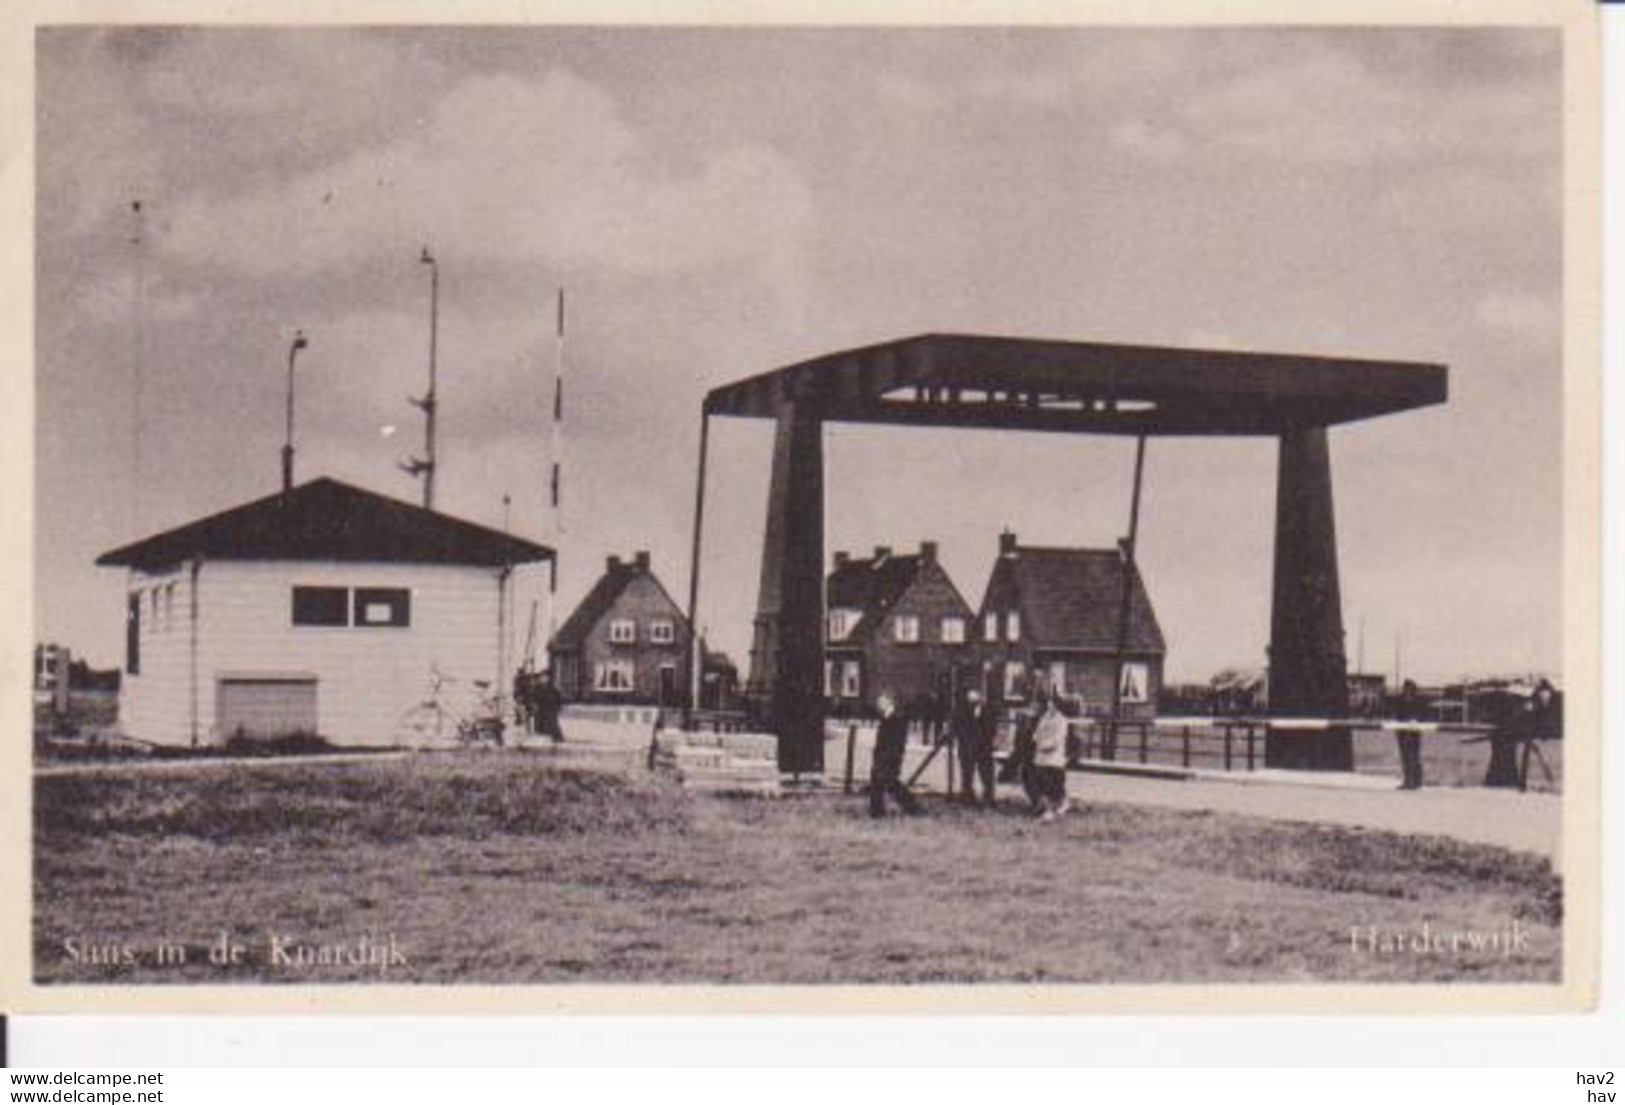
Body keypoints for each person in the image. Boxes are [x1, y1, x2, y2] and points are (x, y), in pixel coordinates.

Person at [869, 691, 922, 818]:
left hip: (891, 756)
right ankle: (877, 810)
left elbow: (897, 740)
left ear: (889, 703)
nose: (878, 706)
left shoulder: (897, 718)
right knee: (880, 781)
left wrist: (892, 755)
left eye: (881, 703)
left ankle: (911, 806)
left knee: (888, 782)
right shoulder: (886, 717)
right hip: (882, 755)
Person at [952, 688, 998, 807]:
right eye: (972, 700)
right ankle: (967, 797)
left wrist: (987, 740)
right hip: (967, 747)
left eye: (977, 699)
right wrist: (964, 740)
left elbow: (991, 728)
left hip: (984, 747)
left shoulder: (988, 711)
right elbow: (958, 727)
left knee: (987, 774)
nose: (975, 702)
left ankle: (989, 797)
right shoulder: (961, 711)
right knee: (967, 773)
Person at [1029, 696, 1071, 821]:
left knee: (1054, 784)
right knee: (1041, 782)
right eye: (1048, 703)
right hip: (1041, 757)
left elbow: (1058, 739)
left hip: (1054, 757)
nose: (1049, 706)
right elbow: (1036, 734)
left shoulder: (1062, 720)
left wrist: (1045, 744)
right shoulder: (1044, 718)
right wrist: (1037, 740)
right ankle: (1047, 807)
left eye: (1052, 704)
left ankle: (1055, 807)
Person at [1392, 679, 1425, 790]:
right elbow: (1396, 714)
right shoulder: (1399, 700)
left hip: (1414, 732)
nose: (1406, 690)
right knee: (1405, 756)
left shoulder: (1418, 701)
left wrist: (1415, 721)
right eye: (1405, 688)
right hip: (1402, 732)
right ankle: (1407, 780)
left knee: (1414, 756)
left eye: (1408, 688)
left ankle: (1416, 780)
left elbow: (1421, 715)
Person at [527, 669, 566, 744]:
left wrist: (558, 707)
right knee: (541, 725)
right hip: (541, 710)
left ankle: (556, 738)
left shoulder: (552, 688)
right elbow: (532, 698)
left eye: (545, 677)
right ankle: (543, 739)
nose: (543, 679)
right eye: (542, 678)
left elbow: (558, 698)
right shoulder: (536, 688)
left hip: (551, 710)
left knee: (552, 725)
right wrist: (533, 705)